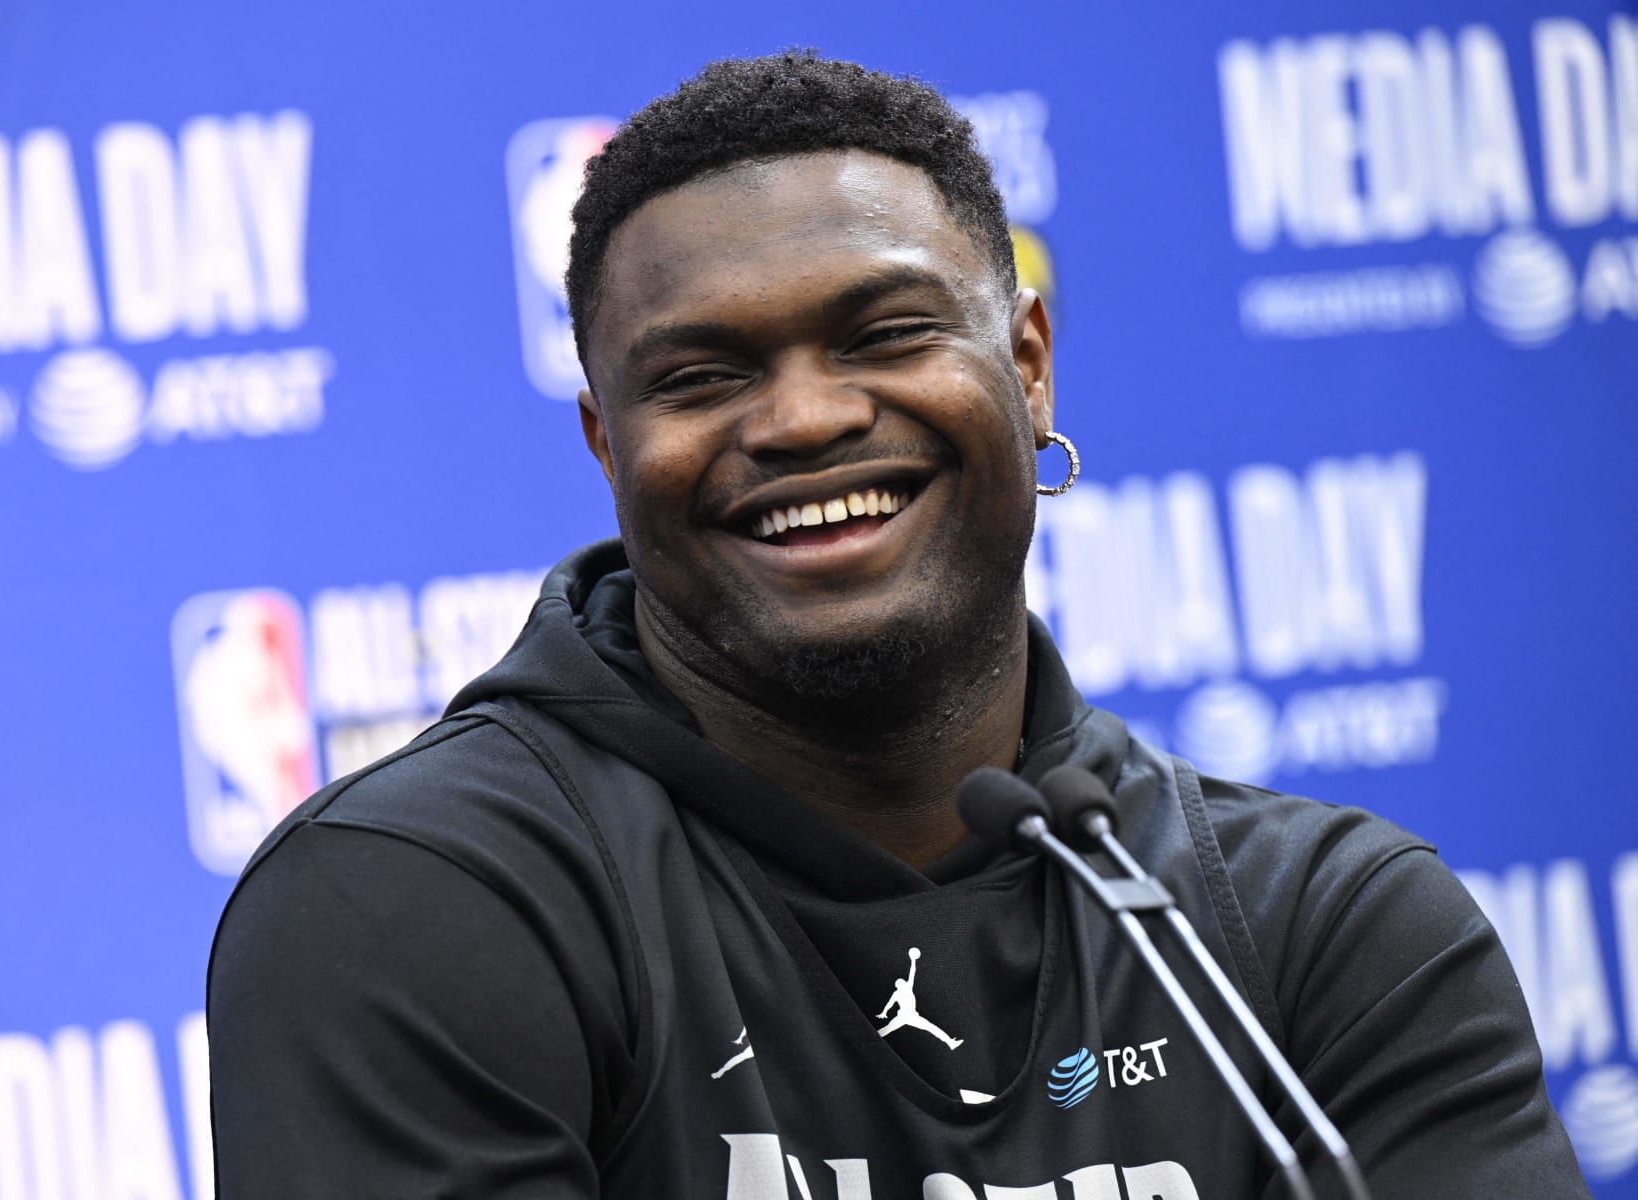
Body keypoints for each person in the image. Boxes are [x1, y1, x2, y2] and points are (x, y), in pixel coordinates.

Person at [206, 52, 1589, 1198]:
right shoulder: (420, 898)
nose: (804, 418)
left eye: (882, 332)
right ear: (607, 449)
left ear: (1027, 366)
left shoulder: (1319, 925)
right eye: (701, 375)